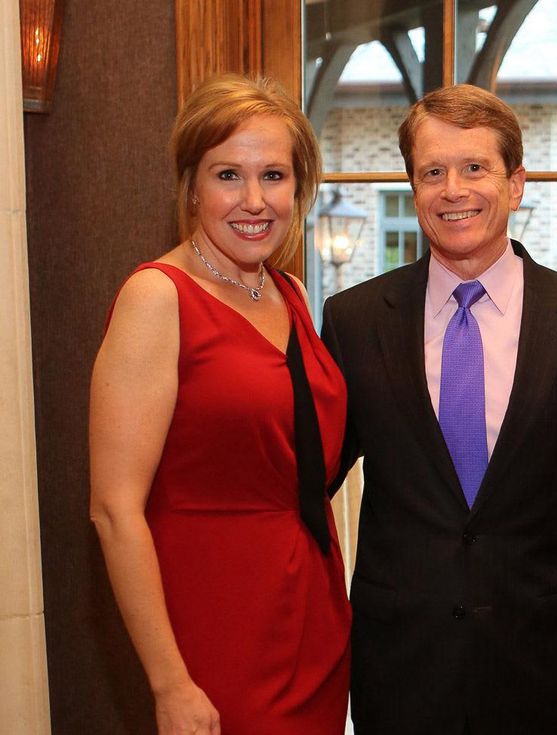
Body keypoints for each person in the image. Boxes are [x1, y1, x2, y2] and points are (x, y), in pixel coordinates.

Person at [320, 84, 557, 735]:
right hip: (398, 673)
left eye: (474, 168)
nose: (452, 189)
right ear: (413, 188)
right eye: (432, 171)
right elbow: (302, 485)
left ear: (515, 184)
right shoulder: (353, 321)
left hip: (539, 678)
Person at [89, 74, 351, 735]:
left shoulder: (287, 290)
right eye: (229, 174)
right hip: (216, 630)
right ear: (191, 185)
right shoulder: (158, 298)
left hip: (313, 620)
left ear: (300, 188)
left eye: (275, 175)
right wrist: (170, 681)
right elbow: (115, 509)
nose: (255, 200)